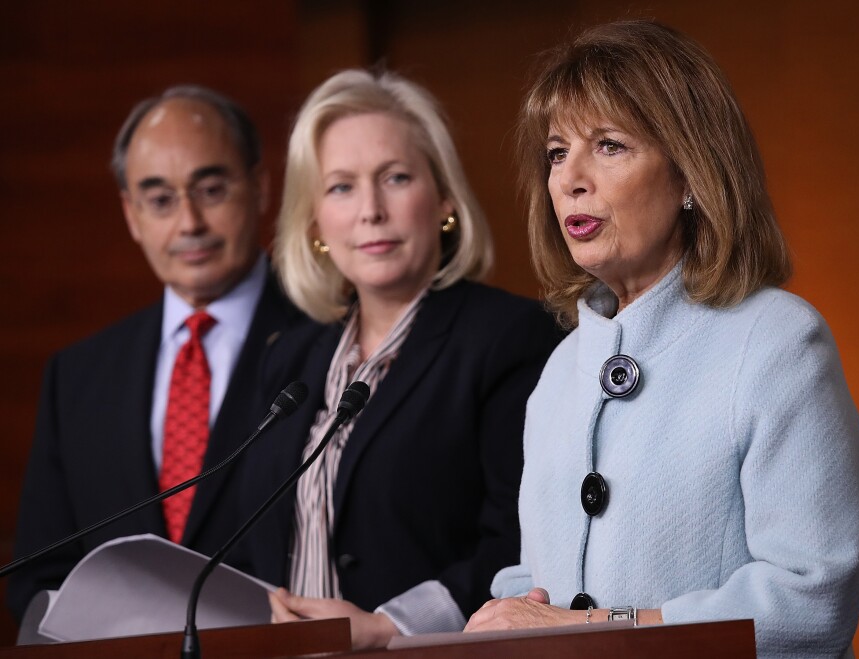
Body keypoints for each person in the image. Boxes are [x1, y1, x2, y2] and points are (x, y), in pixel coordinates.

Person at [463, 20, 859, 658]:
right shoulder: (560, 368)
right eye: (556, 151)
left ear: (690, 175)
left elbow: (810, 603)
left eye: (609, 146)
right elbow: (533, 584)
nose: (570, 177)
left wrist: (593, 631)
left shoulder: (778, 342)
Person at [233, 69, 562, 649]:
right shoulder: (287, 359)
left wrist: (390, 627)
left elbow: (519, 545)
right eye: (341, 187)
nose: (371, 210)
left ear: (443, 200)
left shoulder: (510, 338)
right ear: (315, 225)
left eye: (395, 177)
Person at [7, 85, 320, 622]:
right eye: (160, 200)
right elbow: (39, 575)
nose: (189, 223)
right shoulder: (78, 375)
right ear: (131, 214)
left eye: (212, 189)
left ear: (261, 187)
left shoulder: (329, 338)